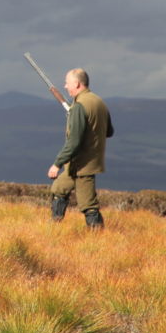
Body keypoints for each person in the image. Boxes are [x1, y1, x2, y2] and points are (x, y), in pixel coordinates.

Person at [47, 68, 113, 229]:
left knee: (88, 205)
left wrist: (57, 164)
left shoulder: (79, 106)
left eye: (67, 83)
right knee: (58, 189)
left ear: (76, 84)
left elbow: (74, 142)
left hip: (83, 166)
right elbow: (109, 131)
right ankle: (55, 228)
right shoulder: (98, 101)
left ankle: (98, 241)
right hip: (81, 164)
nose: (65, 86)